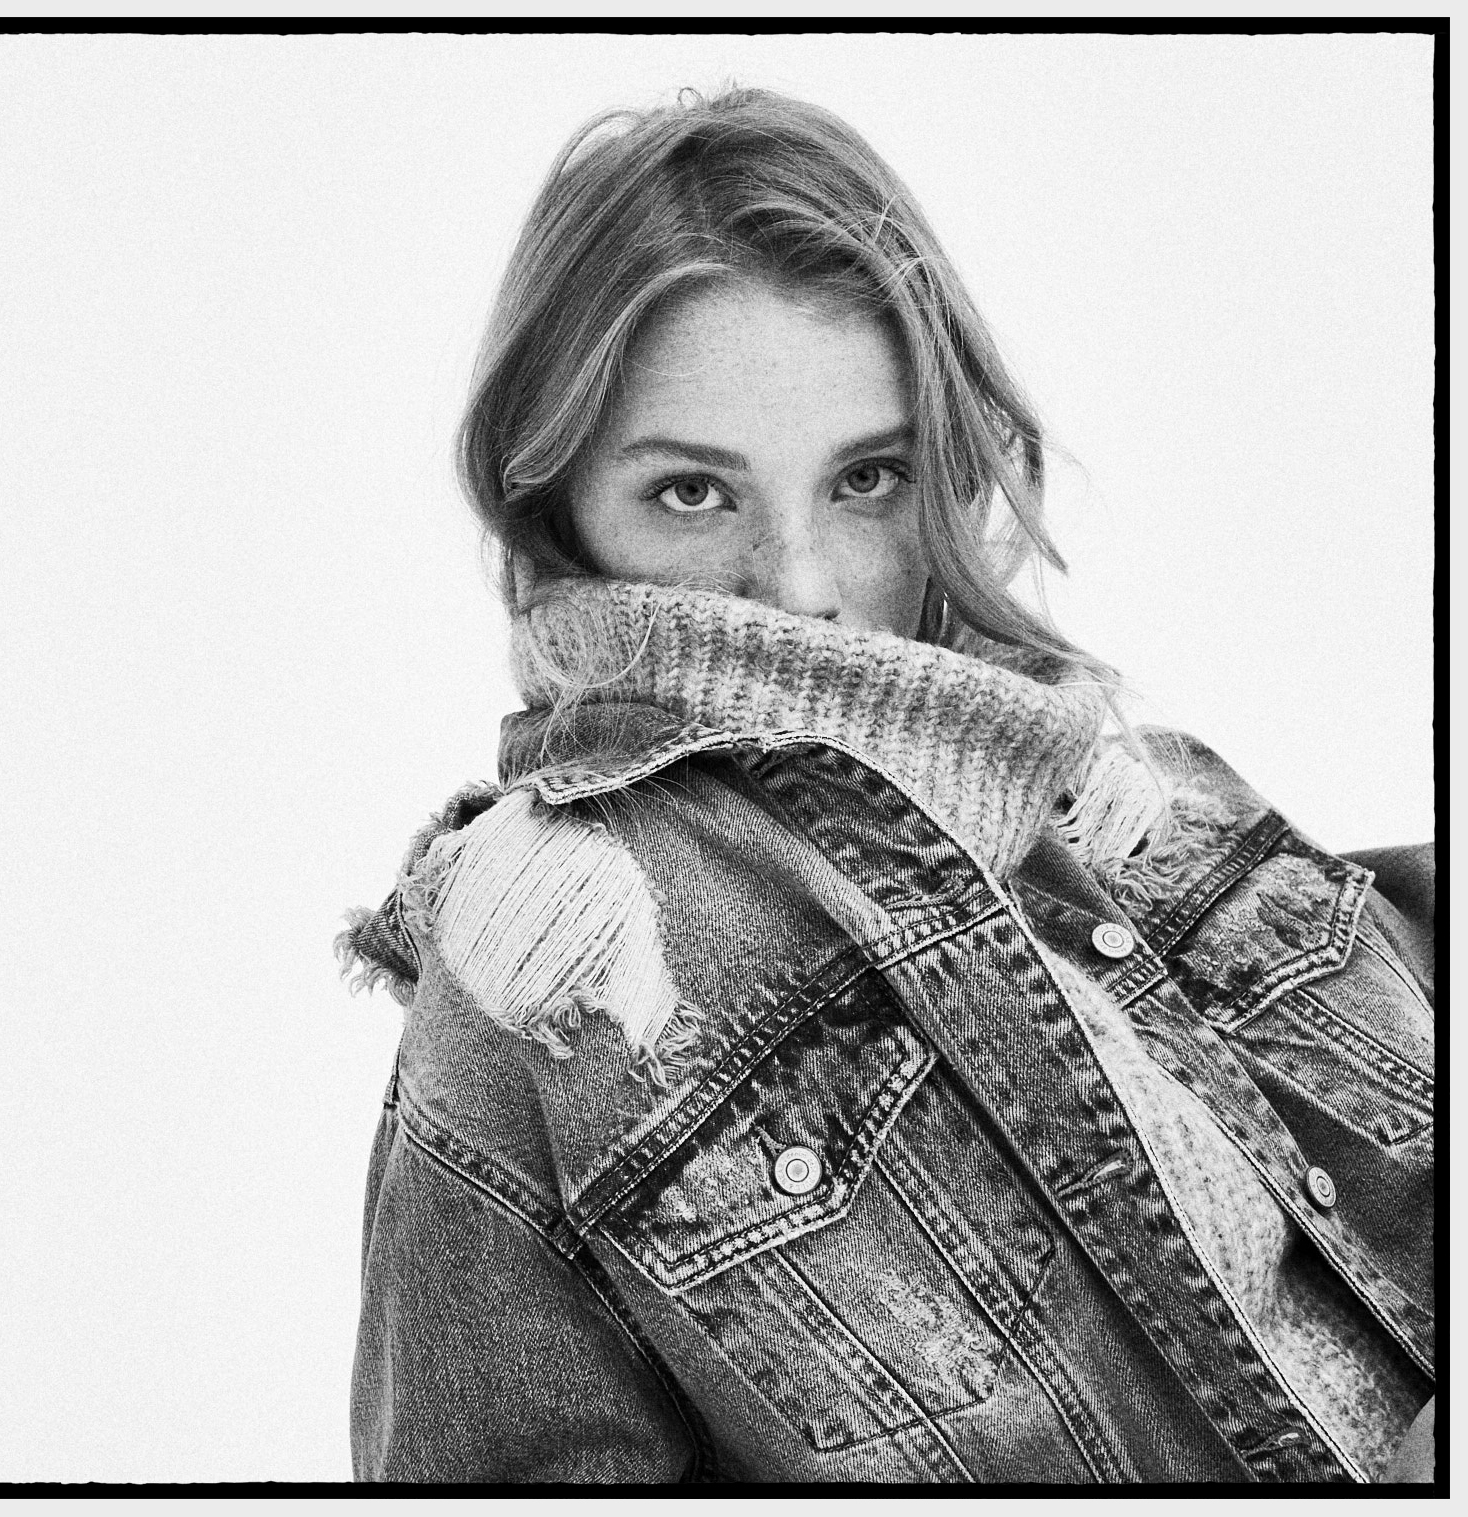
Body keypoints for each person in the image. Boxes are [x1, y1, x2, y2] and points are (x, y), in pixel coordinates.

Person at [336, 86, 1434, 1484]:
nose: (801, 588)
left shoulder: (1127, 792)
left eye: (866, 478)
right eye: (692, 492)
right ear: (553, 499)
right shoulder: (535, 979)